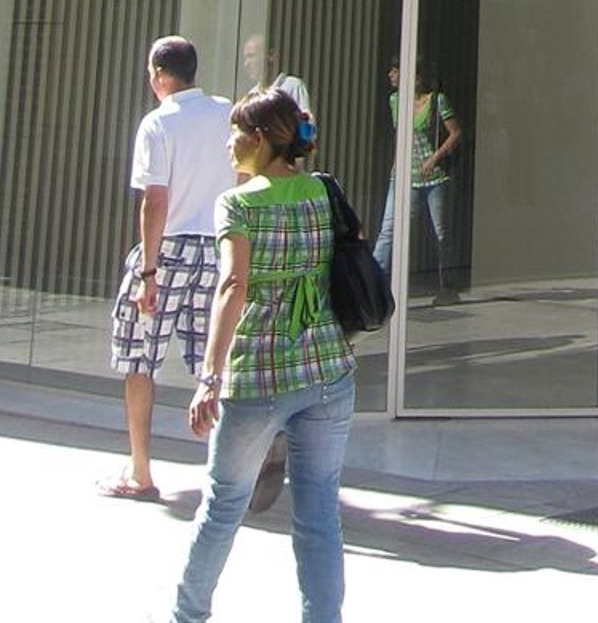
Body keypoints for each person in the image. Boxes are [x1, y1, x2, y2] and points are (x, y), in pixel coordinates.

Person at [166, 85, 356, 623]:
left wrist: (209, 377)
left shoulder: (238, 203)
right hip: (328, 371)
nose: (227, 144)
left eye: (234, 133)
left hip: (258, 375)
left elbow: (233, 286)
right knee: (319, 514)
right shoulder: (322, 191)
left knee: (223, 505)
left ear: (259, 138)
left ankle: (187, 615)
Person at [102, 36, 233, 502]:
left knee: (139, 358)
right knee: (213, 361)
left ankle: (140, 472)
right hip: (216, 249)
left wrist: (149, 272)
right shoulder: (226, 113)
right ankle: (232, 471)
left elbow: (154, 201)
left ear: (159, 74)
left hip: (170, 249)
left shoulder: (158, 123)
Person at [372, 61, 461, 299]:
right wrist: (396, 164)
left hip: (434, 176)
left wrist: (435, 158)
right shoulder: (395, 101)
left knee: (441, 232)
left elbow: (455, 133)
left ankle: (448, 285)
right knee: (389, 228)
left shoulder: (436, 101)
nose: (391, 75)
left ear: (416, 77)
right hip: (403, 174)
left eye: (396, 71)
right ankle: (371, 282)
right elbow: (399, 136)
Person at [240, 31, 312, 117]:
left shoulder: (292, 87)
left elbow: (305, 121)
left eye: (251, 56)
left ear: (271, 55)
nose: (246, 64)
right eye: (245, 58)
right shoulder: (252, 95)